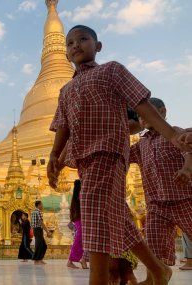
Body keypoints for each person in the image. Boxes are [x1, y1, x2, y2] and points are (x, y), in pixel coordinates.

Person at [47, 25, 191, 285]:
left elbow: (141, 105)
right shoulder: (65, 91)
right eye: (70, 43)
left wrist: (171, 135)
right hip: (84, 160)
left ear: (98, 45)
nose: (76, 45)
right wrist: (55, 156)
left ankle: (98, 279)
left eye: (83, 39)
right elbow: (63, 126)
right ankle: (158, 270)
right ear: (66, 54)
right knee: (119, 219)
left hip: (109, 153)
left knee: (93, 216)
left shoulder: (111, 70)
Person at [129, 98, 192, 282]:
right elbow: (121, 154)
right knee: (154, 247)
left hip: (184, 199)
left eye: (147, 114)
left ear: (162, 112)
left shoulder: (175, 133)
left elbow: (189, 150)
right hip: (156, 205)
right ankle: (154, 277)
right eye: (139, 117)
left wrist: (187, 169)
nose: (143, 119)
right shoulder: (140, 145)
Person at [67, 179, 88, 269]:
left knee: (83, 239)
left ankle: (83, 260)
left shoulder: (76, 195)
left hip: (79, 219)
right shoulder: (80, 194)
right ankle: (71, 261)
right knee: (79, 238)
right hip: (81, 219)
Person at [31, 201, 50, 265]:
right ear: (38, 205)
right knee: (39, 245)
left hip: (36, 229)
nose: (42, 206)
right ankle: (36, 260)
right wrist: (47, 231)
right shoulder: (38, 211)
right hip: (38, 229)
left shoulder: (33, 212)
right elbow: (41, 222)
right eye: (41, 204)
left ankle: (40, 259)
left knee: (43, 245)